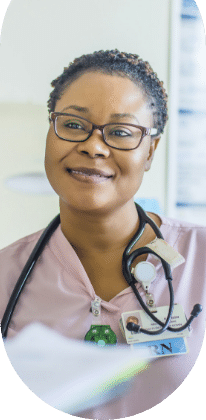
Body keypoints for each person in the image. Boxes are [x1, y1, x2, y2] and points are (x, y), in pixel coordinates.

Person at [0, 49, 205, 418]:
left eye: (121, 132)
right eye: (74, 125)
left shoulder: (201, 256)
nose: (93, 146)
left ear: (151, 151)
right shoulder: (5, 275)